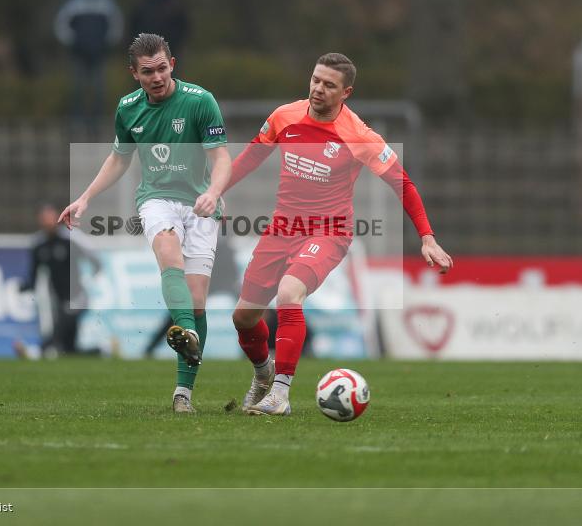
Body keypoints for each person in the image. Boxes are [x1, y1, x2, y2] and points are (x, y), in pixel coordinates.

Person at [225, 52, 453, 416]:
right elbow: (251, 157)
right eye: (315, 80)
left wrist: (427, 236)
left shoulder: (358, 135)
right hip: (282, 227)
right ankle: (263, 374)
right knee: (243, 318)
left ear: (346, 92)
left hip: (329, 231)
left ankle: (280, 394)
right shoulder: (285, 116)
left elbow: (402, 184)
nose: (318, 89)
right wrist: (216, 189)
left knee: (289, 292)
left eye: (328, 85)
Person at [59, 33, 231, 414]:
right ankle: (185, 338)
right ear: (134, 73)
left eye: (163, 68)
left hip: (201, 204)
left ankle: (184, 389)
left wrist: (214, 192)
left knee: (197, 304)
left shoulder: (200, 102)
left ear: (173, 64)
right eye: (148, 71)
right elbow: (119, 159)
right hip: (156, 199)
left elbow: (221, 158)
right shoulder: (128, 108)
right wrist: (85, 198)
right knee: (169, 257)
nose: (157, 77)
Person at [16, 203, 103, 359]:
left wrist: (93, 275)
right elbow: (34, 275)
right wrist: (26, 286)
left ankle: (35, 352)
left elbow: (94, 258)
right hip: (58, 299)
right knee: (68, 349)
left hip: (78, 297)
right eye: (44, 219)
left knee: (59, 328)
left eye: (51, 218)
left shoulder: (70, 238)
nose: (48, 222)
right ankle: (101, 352)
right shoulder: (38, 245)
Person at [54, 0, 123, 140]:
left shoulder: (106, 2)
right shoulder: (73, 1)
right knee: (77, 90)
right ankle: (76, 125)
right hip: (78, 54)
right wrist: (73, 43)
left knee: (99, 91)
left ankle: (95, 126)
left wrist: (106, 44)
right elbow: (61, 25)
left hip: (99, 54)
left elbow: (116, 25)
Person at [142, 229, 238, 357]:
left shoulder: (220, 235)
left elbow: (231, 269)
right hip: (203, 278)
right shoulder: (199, 229)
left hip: (221, 282)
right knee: (180, 311)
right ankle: (151, 348)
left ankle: (251, 348)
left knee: (245, 310)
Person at [129, 0, 190, 74]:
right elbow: (133, 26)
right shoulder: (141, 5)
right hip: (145, 51)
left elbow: (183, 25)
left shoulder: (174, 4)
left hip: (170, 50)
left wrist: (176, 42)